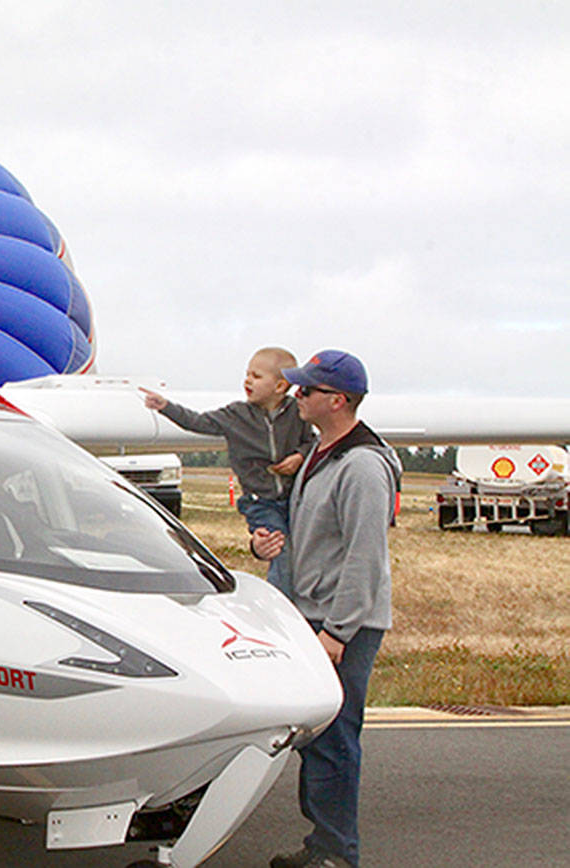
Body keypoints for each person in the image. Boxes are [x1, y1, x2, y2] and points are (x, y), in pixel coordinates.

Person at [251, 350, 400, 868]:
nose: (296, 395)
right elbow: (308, 532)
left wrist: (337, 632)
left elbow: (366, 557)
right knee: (316, 739)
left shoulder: (361, 467)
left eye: (307, 391)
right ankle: (323, 845)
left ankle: (336, 854)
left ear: (336, 401)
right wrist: (265, 542)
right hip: (311, 614)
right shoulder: (320, 453)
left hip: (341, 623)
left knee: (335, 739)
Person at [140, 347, 314, 598]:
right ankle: (282, 604)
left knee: (304, 550)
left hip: (296, 497)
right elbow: (198, 421)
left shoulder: (298, 413)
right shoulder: (236, 415)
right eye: (247, 374)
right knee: (280, 549)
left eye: (256, 376)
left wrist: (299, 456)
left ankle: (306, 598)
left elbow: (312, 441)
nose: (247, 380)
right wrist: (166, 407)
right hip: (261, 501)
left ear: (279, 386)